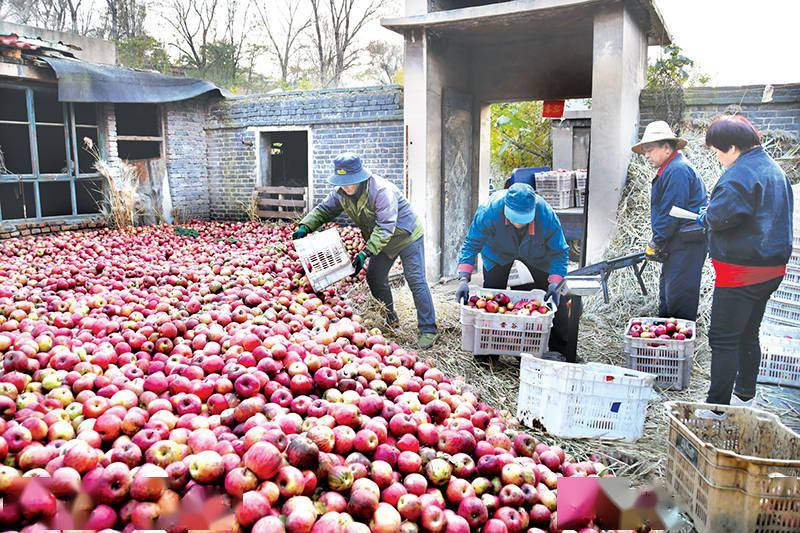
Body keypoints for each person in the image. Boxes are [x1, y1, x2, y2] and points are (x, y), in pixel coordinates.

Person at [696, 115, 794, 418]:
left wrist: (704, 215)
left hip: (741, 272)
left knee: (723, 339)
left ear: (733, 147)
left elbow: (720, 217)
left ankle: (716, 407)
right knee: (749, 333)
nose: (717, 157)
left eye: (717, 151)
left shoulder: (740, 174)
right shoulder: (774, 169)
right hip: (772, 269)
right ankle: (745, 396)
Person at [293, 153, 438, 350]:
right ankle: (390, 318)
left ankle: (428, 329)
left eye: (350, 182)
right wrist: (305, 226)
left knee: (415, 279)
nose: (347, 186)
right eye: (342, 182)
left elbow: (386, 227)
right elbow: (324, 210)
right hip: (382, 240)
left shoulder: (381, 191)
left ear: (360, 177)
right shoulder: (341, 193)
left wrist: (365, 253)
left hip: (406, 236)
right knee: (375, 277)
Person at [455, 182, 571, 362]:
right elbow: (471, 244)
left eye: (524, 219)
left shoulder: (545, 214)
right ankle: (488, 354)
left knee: (553, 301)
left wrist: (555, 283)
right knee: (492, 298)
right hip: (497, 254)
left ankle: (559, 352)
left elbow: (560, 251)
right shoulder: (489, 210)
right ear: (506, 210)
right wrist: (463, 278)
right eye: (515, 218)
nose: (518, 223)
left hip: (536, 255)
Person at [632, 121, 708, 322]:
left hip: (686, 244)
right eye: (644, 152)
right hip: (678, 244)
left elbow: (671, 212)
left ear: (667, 148)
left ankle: (677, 345)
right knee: (669, 295)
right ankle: (666, 341)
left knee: (679, 299)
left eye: (649, 150)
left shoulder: (677, 170)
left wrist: (657, 240)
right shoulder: (671, 168)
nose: (646, 156)